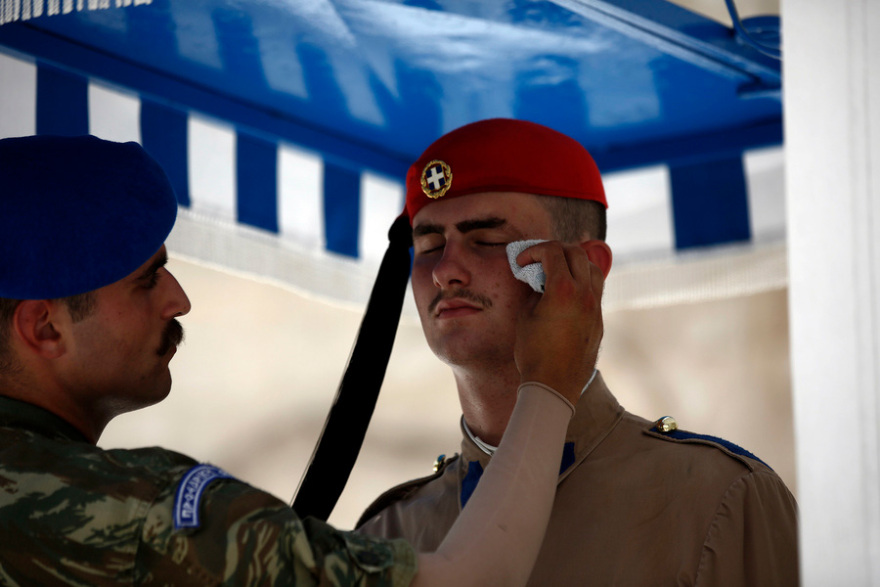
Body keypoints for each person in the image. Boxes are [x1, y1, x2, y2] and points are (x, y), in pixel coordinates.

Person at [0, 134, 606, 586]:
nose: (178, 299)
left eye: (488, 240)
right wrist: (552, 381)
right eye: (147, 278)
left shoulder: (696, 499)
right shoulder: (143, 512)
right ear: (44, 326)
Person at [356, 118, 800, 586]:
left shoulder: (718, 499)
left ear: (586, 268)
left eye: (486, 241)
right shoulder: (388, 533)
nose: (446, 271)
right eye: (427, 245)